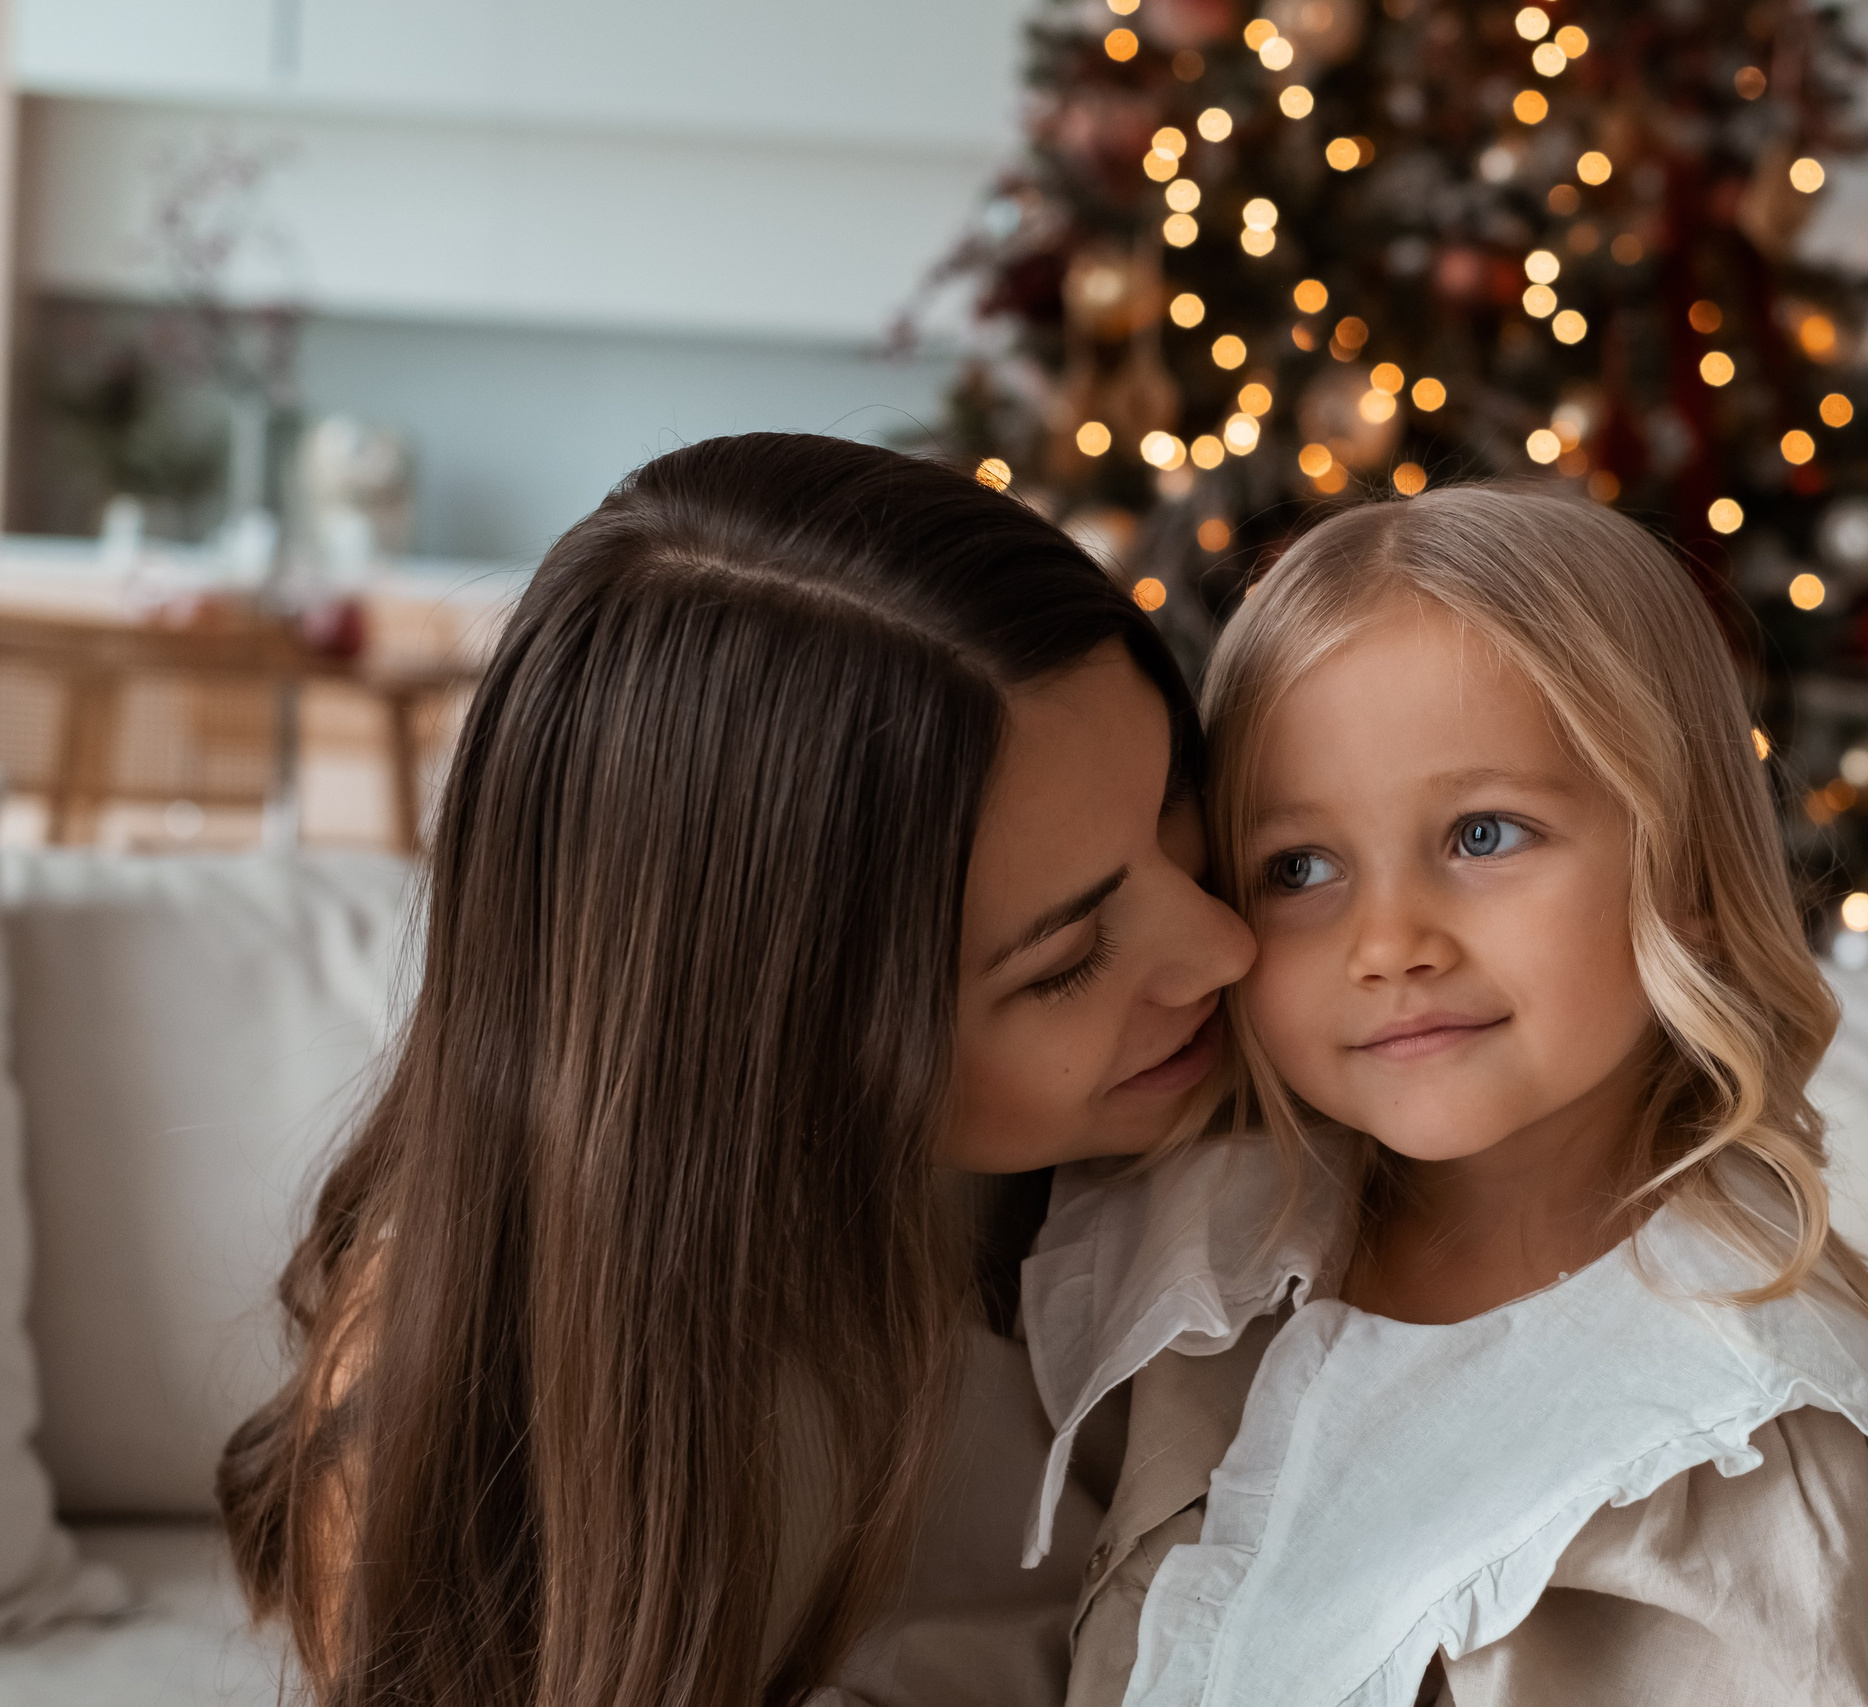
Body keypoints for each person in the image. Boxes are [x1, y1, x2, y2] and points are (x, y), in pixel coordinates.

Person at [215, 434, 1256, 1707]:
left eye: (1172, 801)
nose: (1226, 944)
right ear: (782, 1045)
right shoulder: (464, 1436)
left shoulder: (1254, 1105)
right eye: (1064, 961)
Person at [1026, 487, 1868, 1706]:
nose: (1388, 945)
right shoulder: (1198, 1258)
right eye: (1301, 866)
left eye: (1484, 835)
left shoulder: (1742, 1443)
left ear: (1687, 867)